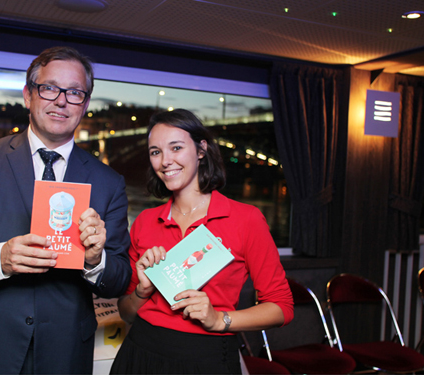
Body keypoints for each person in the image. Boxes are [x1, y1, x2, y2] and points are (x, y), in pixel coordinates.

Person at [0, 46, 132, 375]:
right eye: (49, 88)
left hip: (63, 353)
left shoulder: (108, 182)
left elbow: (119, 278)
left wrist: (95, 260)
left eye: (74, 92)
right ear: (28, 96)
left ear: (85, 105)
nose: (61, 100)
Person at [110, 109, 293, 374]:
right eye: (155, 152)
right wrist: (142, 291)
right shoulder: (145, 221)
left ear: (200, 150)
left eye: (176, 147)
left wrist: (219, 319)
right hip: (140, 354)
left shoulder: (246, 219)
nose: (165, 161)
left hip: (206, 359)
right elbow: (126, 313)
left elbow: (282, 308)